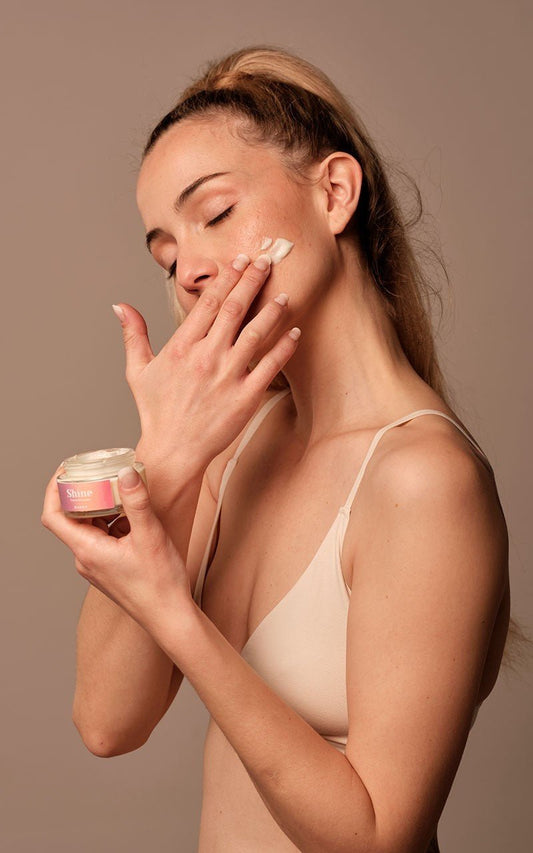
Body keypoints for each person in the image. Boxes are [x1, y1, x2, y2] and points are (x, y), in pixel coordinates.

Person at [42, 44, 516, 852]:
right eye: (165, 253)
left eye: (216, 213)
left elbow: (377, 836)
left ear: (334, 193)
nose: (189, 269)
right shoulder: (234, 446)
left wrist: (174, 611)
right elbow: (107, 721)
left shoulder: (422, 480)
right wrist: (163, 460)